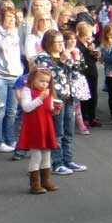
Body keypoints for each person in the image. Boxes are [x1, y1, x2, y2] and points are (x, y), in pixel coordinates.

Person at [35, 30, 86, 176]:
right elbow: (49, 76)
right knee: (57, 131)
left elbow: (76, 73)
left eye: (61, 42)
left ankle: (68, 160)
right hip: (55, 97)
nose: (60, 45)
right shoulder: (42, 58)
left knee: (69, 130)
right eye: (57, 42)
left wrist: (76, 60)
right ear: (49, 43)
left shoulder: (65, 54)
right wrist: (62, 61)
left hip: (69, 95)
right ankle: (56, 163)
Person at [0, 4, 23, 152]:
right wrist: (9, 32)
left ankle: (10, 139)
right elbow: (2, 46)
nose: (12, 20)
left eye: (13, 17)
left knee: (12, 111)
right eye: (8, 17)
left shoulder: (16, 32)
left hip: (14, 75)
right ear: (1, 18)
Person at [17, 65, 59, 194]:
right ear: (33, 79)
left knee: (46, 153)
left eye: (47, 82)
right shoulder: (27, 91)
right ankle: (35, 183)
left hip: (45, 125)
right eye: (41, 81)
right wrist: (40, 98)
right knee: (36, 155)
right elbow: (26, 107)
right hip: (34, 126)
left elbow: (49, 109)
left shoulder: (49, 92)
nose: (44, 84)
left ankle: (46, 180)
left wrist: (55, 110)